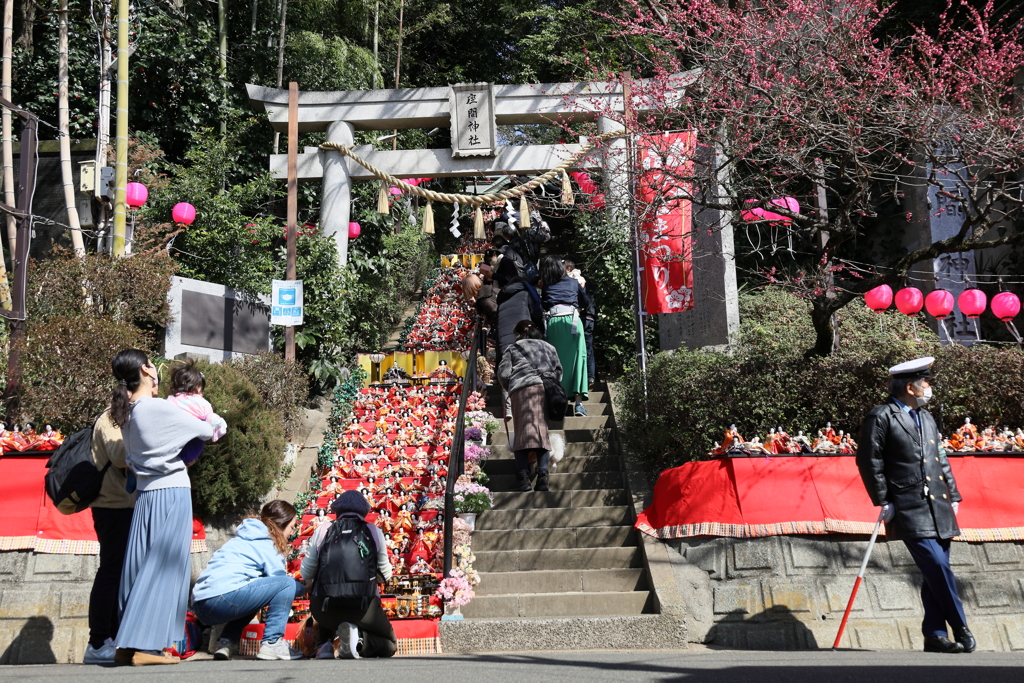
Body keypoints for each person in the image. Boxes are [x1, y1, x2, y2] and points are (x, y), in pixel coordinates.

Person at [856, 357, 974, 654]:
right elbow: (869, 461)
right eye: (926, 383)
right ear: (910, 387)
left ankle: (935, 634)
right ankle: (960, 625)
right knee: (935, 565)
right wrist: (882, 499)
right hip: (908, 503)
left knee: (938, 568)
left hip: (938, 502)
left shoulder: (927, 417)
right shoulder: (881, 416)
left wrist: (954, 493)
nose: (929, 387)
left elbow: (940, 458)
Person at [112, 350, 217, 666]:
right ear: (146, 370)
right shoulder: (155, 408)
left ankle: (127, 645)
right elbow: (205, 430)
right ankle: (149, 647)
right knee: (166, 568)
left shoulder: (128, 411)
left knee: (140, 565)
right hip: (171, 493)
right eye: (154, 367)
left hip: (145, 496)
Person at [82, 353, 143, 665]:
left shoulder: (132, 413)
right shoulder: (110, 416)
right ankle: (97, 642)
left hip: (128, 504)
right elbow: (120, 456)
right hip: (111, 505)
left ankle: (117, 638)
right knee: (111, 571)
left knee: (124, 574)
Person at [191, 500, 306, 661]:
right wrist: (307, 588)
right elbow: (280, 583)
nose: (291, 533)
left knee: (255, 593)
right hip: (223, 598)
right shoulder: (268, 543)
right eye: (292, 527)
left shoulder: (240, 539)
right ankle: (272, 642)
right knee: (285, 584)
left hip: (200, 604)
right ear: (281, 524)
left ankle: (226, 643)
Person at [301, 490, 396, 659]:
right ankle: (358, 640)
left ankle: (325, 645)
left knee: (324, 591)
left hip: (324, 609)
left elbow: (306, 572)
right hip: (362, 607)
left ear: (336, 510)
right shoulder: (373, 531)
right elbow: (386, 575)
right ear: (364, 511)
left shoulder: (323, 529)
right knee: (390, 644)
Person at [497, 320, 562, 492]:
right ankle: (543, 478)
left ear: (519, 334)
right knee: (541, 432)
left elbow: (503, 373)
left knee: (521, 433)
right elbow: (558, 371)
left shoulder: (513, 348)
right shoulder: (549, 347)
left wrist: (509, 387)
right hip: (543, 390)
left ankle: (523, 477)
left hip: (521, 391)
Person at [539, 256, 591, 416]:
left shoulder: (547, 286)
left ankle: (553, 401)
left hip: (553, 323)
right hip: (573, 323)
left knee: (553, 363)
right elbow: (586, 303)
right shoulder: (574, 283)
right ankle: (578, 404)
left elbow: (544, 305)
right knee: (578, 361)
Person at [165, 359, 228, 465]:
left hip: (171, 448)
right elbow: (211, 422)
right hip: (192, 448)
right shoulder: (202, 403)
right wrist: (221, 426)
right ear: (197, 387)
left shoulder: (170, 400)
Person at [563, 258, 597, 384]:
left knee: (575, 347)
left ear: (568, 269)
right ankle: (590, 376)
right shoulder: (585, 280)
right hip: (589, 316)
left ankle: (578, 376)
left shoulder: (573, 282)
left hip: (579, 316)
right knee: (588, 347)